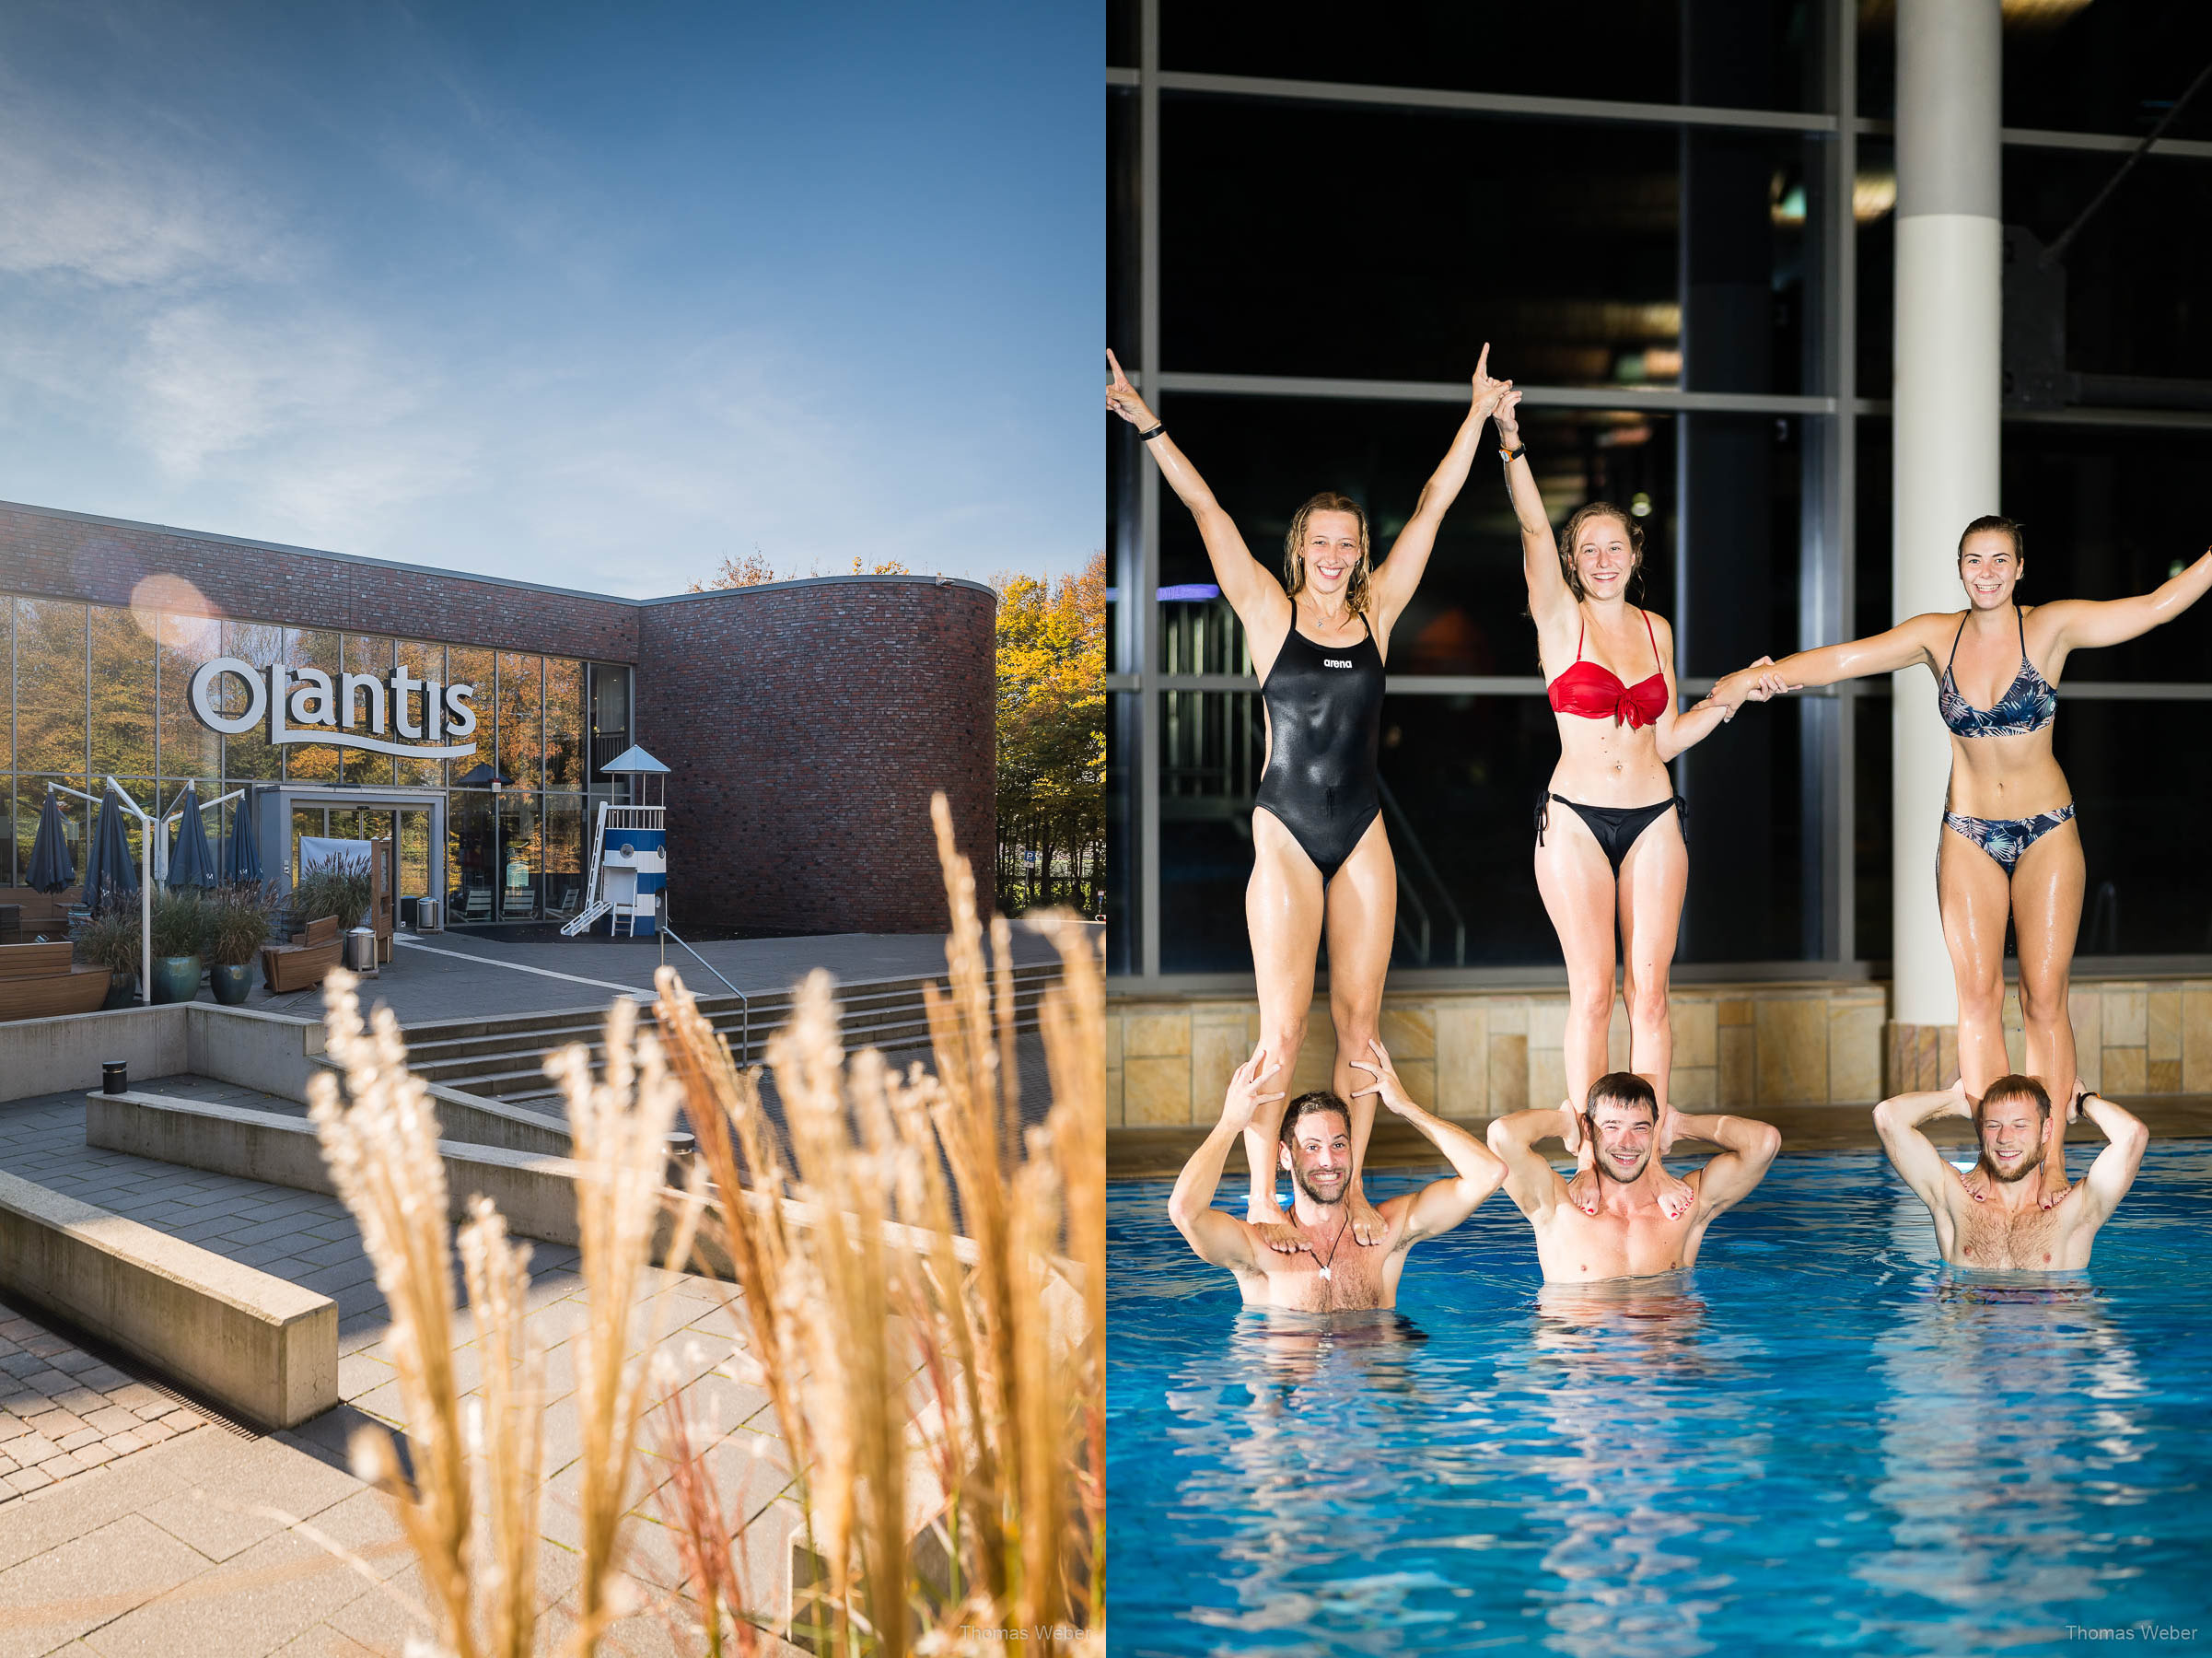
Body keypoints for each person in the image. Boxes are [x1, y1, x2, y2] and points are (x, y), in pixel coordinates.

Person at [1110, 345, 1512, 1248]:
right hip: (1287, 829)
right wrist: (1148, 426)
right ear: (1299, 549)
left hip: (1361, 826)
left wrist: (1476, 416)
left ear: (1359, 552)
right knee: (1281, 1031)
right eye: (1320, 542)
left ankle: (1353, 1192)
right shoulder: (1264, 609)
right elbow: (1205, 509)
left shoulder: (1378, 610)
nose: (1334, 555)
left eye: (1347, 543)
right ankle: (1261, 1198)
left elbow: (1434, 507)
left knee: (1359, 1029)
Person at [1714, 520, 2212, 1207]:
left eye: (1999, 560)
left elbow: (2155, 606)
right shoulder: (1934, 635)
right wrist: (1758, 677)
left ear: (2019, 567)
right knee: (1975, 998)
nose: (1986, 572)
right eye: (1974, 560)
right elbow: (1844, 660)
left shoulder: (2051, 629)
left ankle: (2052, 1159)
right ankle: (1994, 1156)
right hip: (1970, 832)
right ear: (1960, 568)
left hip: (2047, 831)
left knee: (2044, 999)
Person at [1491, 378, 1775, 1220]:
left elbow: (1664, 737)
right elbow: (1532, 526)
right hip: (1575, 816)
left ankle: (1642, 1156)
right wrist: (1512, 438)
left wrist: (1727, 702)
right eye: (1591, 549)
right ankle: (1589, 1154)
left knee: (1649, 995)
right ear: (1575, 562)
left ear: (1635, 555)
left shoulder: (1658, 633)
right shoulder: (1557, 618)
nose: (1604, 559)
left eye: (1617, 547)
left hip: (1655, 814)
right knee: (1594, 989)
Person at [1167, 1039, 1507, 1311]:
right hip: (1291, 1390)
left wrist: (1407, 1107)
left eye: (1339, 1144)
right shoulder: (1260, 1247)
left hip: (1376, 1388)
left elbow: (1489, 1173)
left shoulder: (1386, 1233)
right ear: (1285, 1156)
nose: (1328, 1160)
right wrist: (1229, 1125)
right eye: (1312, 1147)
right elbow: (1185, 1211)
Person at [1484, 1072, 1780, 1283]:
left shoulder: (1685, 1206)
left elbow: (1763, 1142)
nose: (1626, 1142)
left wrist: (1680, 1125)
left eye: (1640, 1127)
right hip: (1581, 1359)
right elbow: (1503, 1135)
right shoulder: (1556, 1206)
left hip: (1666, 1361)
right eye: (1611, 1127)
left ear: (1654, 1130)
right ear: (1588, 1128)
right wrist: (1565, 1122)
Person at [1871, 1074, 2148, 1270]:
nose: (2005, 1138)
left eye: (2020, 1125)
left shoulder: (2075, 1210)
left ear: (2046, 1131)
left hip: (2049, 1346)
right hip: (1971, 1348)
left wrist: (2082, 1102)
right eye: (1993, 1125)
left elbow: (2133, 1135)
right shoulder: (1953, 1197)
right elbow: (1888, 1117)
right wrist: (1956, 1101)